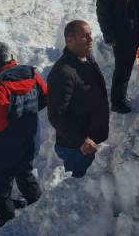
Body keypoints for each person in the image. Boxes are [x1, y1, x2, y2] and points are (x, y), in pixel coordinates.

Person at [0, 42, 48, 228]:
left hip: (5, 147)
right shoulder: (32, 74)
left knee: (0, 189)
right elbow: (44, 98)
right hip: (30, 139)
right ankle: (43, 214)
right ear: (11, 55)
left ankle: (7, 227)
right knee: (25, 176)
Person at [47, 21, 109, 178]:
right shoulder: (63, 72)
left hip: (92, 141)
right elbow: (56, 115)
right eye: (84, 36)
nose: (90, 40)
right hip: (77, 149)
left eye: (90, 35)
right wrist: (81, 139)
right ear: (70, 41)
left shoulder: (87, 59)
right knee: (79, 192)